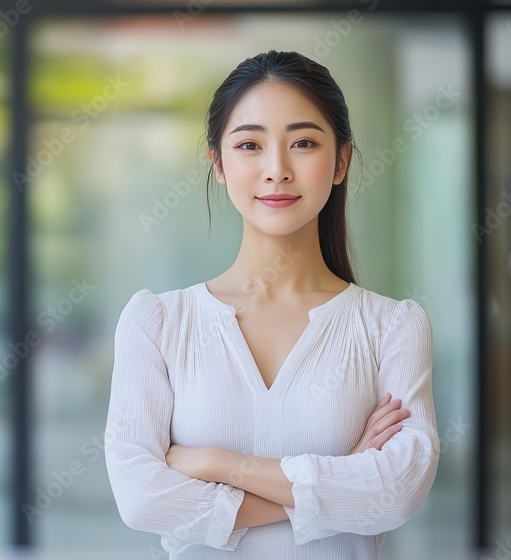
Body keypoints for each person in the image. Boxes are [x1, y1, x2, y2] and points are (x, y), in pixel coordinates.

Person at [104, 50, 439, 559]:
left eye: (303, 143)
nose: (277, 170)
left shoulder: (392, 326)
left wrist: (214, 463)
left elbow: (398, 490)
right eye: (249, 145)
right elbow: (141, 499)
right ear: (218, 162)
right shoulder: (157, 323)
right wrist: (342, 475)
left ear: (341, 161)